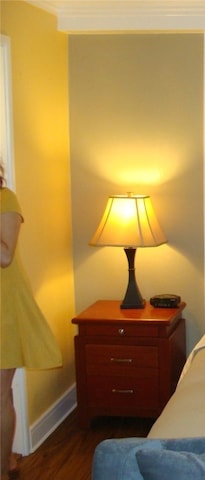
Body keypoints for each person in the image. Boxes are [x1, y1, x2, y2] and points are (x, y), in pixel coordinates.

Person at [1, 166, 62, 479]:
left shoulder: (6, 199)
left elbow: (5, 256)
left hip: (4, 307)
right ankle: (8, 457)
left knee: (0, 393)